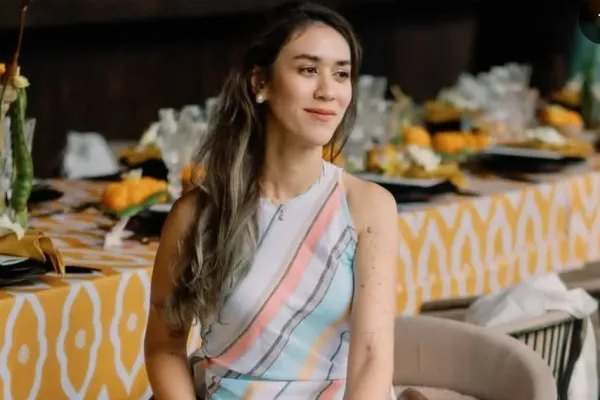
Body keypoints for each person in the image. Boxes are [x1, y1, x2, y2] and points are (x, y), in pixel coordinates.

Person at [144, 2, 399, 398]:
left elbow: (371, 359)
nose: (328, 91)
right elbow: (165, 347)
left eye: (341, 74)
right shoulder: (195, 214)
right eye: (308, 70)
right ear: (259, 82)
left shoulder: (368, 206)